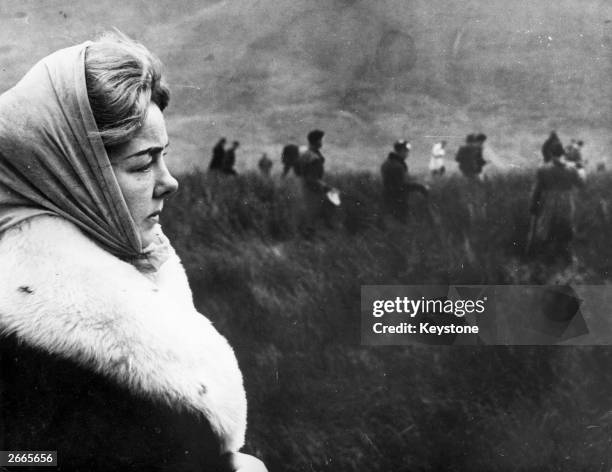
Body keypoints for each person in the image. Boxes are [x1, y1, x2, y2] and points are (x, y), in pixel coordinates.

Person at [0, 33, 266, 472]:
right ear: (75, 175)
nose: (169, 181)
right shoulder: (21, 334)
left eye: (164, 157)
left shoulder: (138, 274)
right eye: (143, 164)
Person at [527, 150, 586, 266]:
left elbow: (537, 190)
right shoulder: (571, 169)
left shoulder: (543, 169)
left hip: (549, 201)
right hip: (566, 201)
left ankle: (548, 257)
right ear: (563, 154)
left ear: (551, 155)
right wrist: (582, 170)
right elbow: (581, 184)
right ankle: (566, 256)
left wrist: (533, 204)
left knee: (548, 227)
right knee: (566, 227)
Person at [295, 129, 333, 236]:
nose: (322, 142)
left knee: (308, 214)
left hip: (304, 187)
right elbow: (312, 178)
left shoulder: (305, 154)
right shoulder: (314, 158)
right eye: (321, 140)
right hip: (313, 189)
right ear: (317, 141)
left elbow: (299, 171)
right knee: (313, 216)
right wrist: (325, 186)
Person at [380, 139, 428, 223]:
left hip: (387, 199)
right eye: (406, 151)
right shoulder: (397, 166)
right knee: (401, 224)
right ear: (402, 151)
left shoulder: (387, 163)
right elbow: (402, 185)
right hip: (398, 201)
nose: (407, 154)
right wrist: (420, 187)